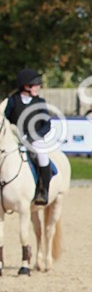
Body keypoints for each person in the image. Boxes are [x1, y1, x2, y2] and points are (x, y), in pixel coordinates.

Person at [4, 69, 54, 205]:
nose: (39, 87)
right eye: (36, 84)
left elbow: (47, 124)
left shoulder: (40, 102)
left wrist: (34, 136)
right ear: (26, 86)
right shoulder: (12, 101)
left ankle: (43, 191)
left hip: (34, 139)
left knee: (42, 156)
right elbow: (6, 120)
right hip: (15, 139)